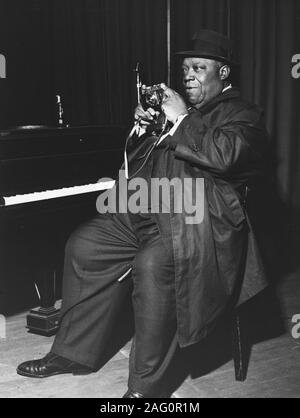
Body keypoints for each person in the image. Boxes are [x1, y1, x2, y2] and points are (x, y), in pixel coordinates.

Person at [17, 30, 269, 398]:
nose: (188, 76)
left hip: (195, 221)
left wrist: (181, 121)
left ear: (225, 74)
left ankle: (145, 390)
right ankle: (72, 353)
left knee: (153, 267)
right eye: (185, 68)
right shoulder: (188, 112)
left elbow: (226, 156)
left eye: (199, 68)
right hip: (145, 209)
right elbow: (141, 165)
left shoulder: (243, 113)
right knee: (85, 244)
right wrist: (143, 130)